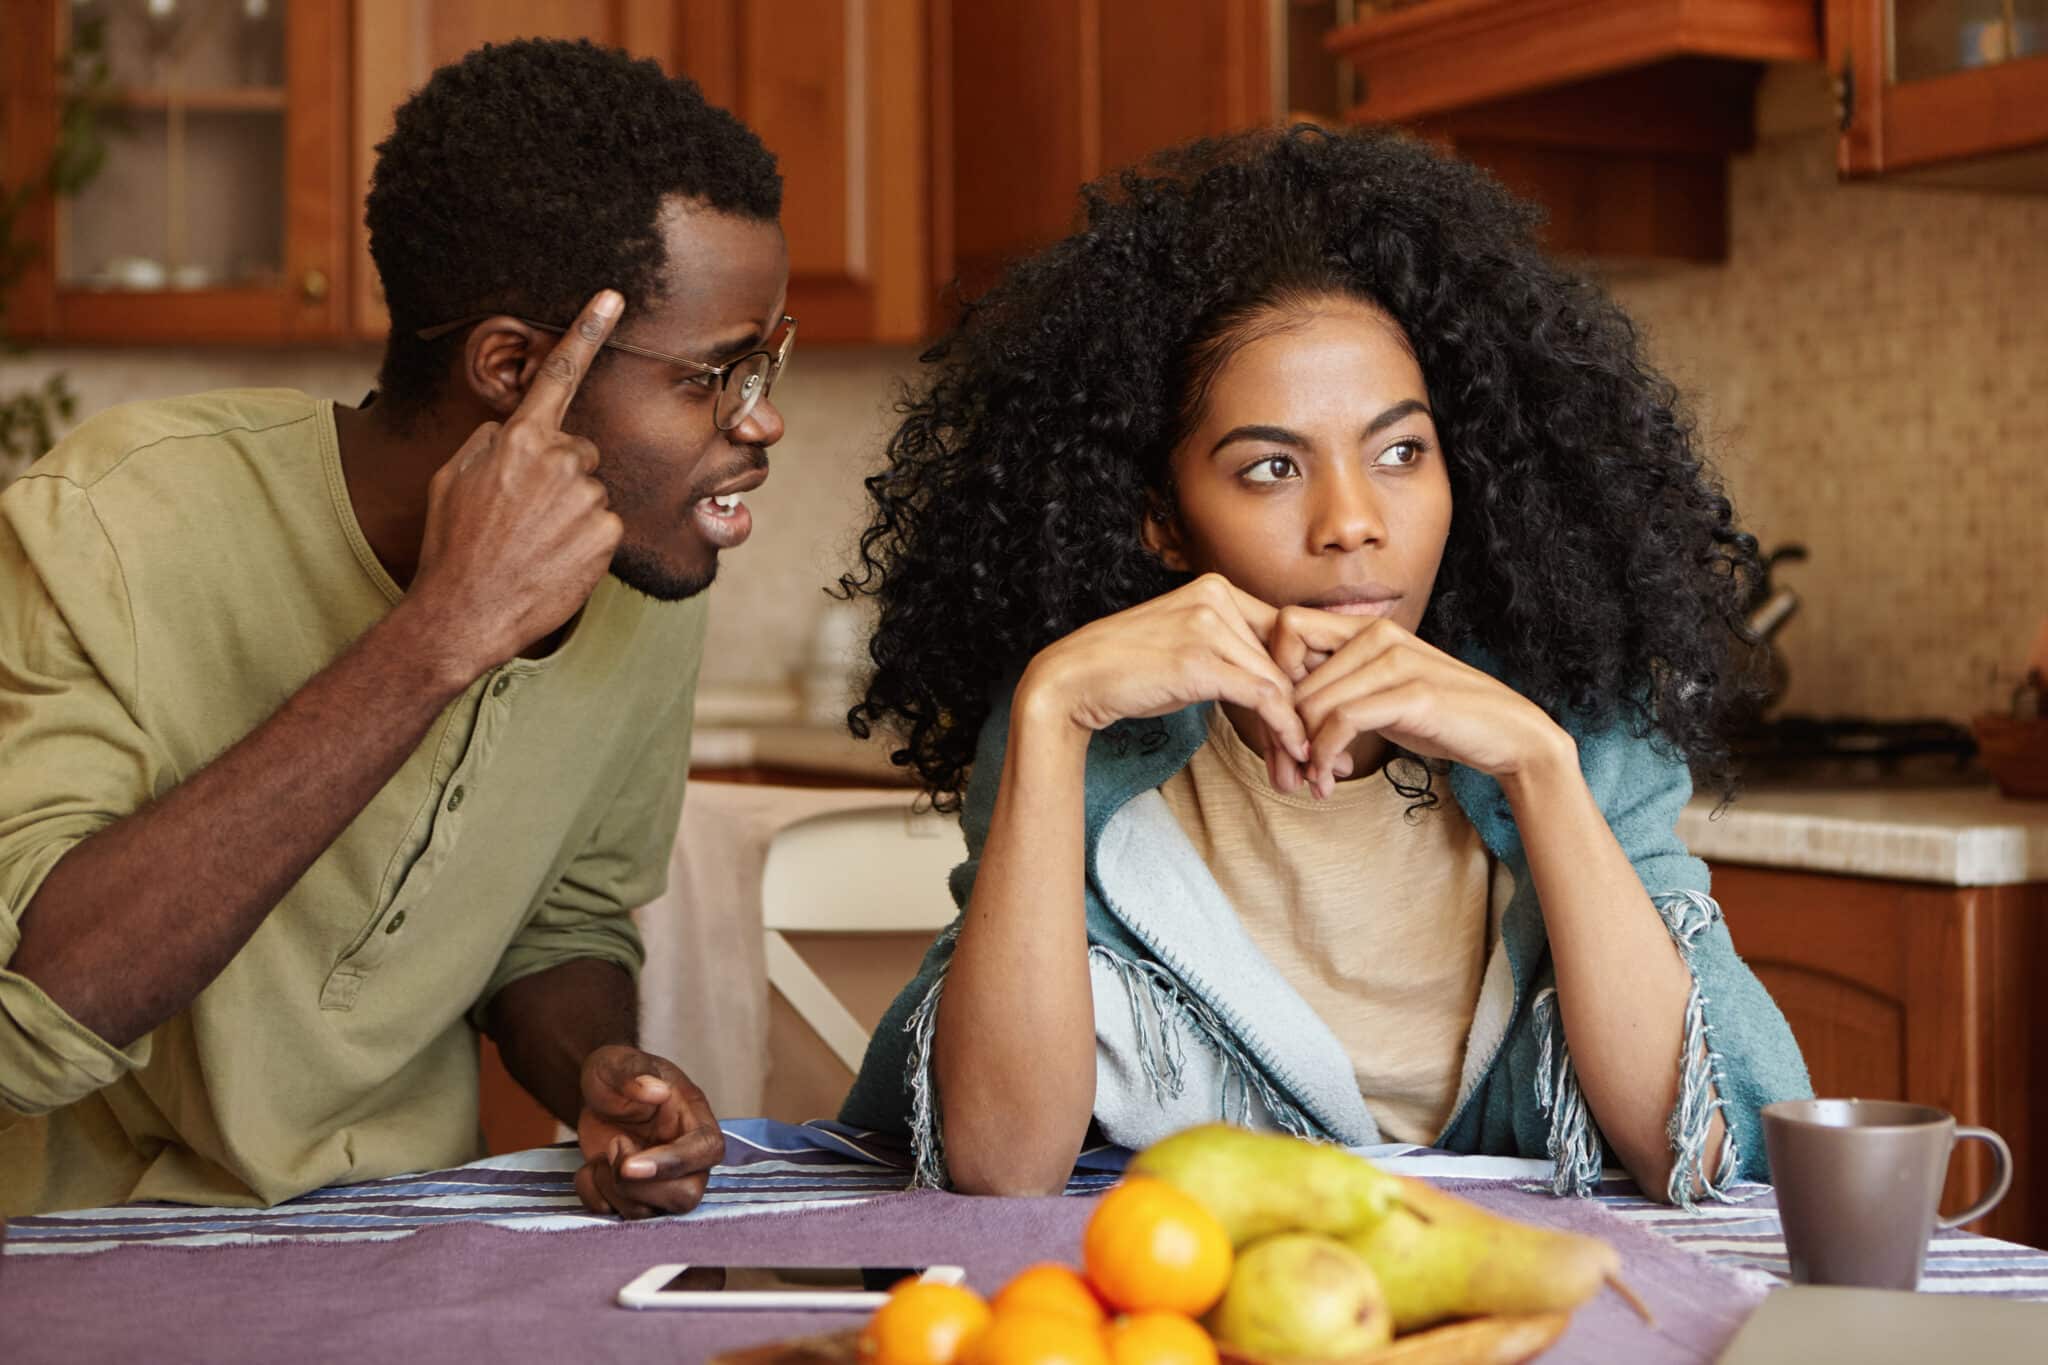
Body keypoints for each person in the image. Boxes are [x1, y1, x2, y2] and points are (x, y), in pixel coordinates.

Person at [836, 125, 1811, 1206]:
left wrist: (1538, 767)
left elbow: (1701, 1150)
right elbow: (999, 1166)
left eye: (1401, 452)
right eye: (1268, 468)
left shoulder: (1575, 715)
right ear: (1163, 521)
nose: (1352, 523)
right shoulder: (1093, 740)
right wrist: (1052, 710)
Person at [0, 39, 793, 1218]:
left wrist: (591, 1067)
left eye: (767, 365)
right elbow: (31, 1024)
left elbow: (560, 914)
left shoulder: (642, 571)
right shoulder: (111, 522)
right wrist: (438, 637)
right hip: (95, 1251)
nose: (763, 421)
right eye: (713, 376)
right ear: (518, 368)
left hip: (414, 1230)